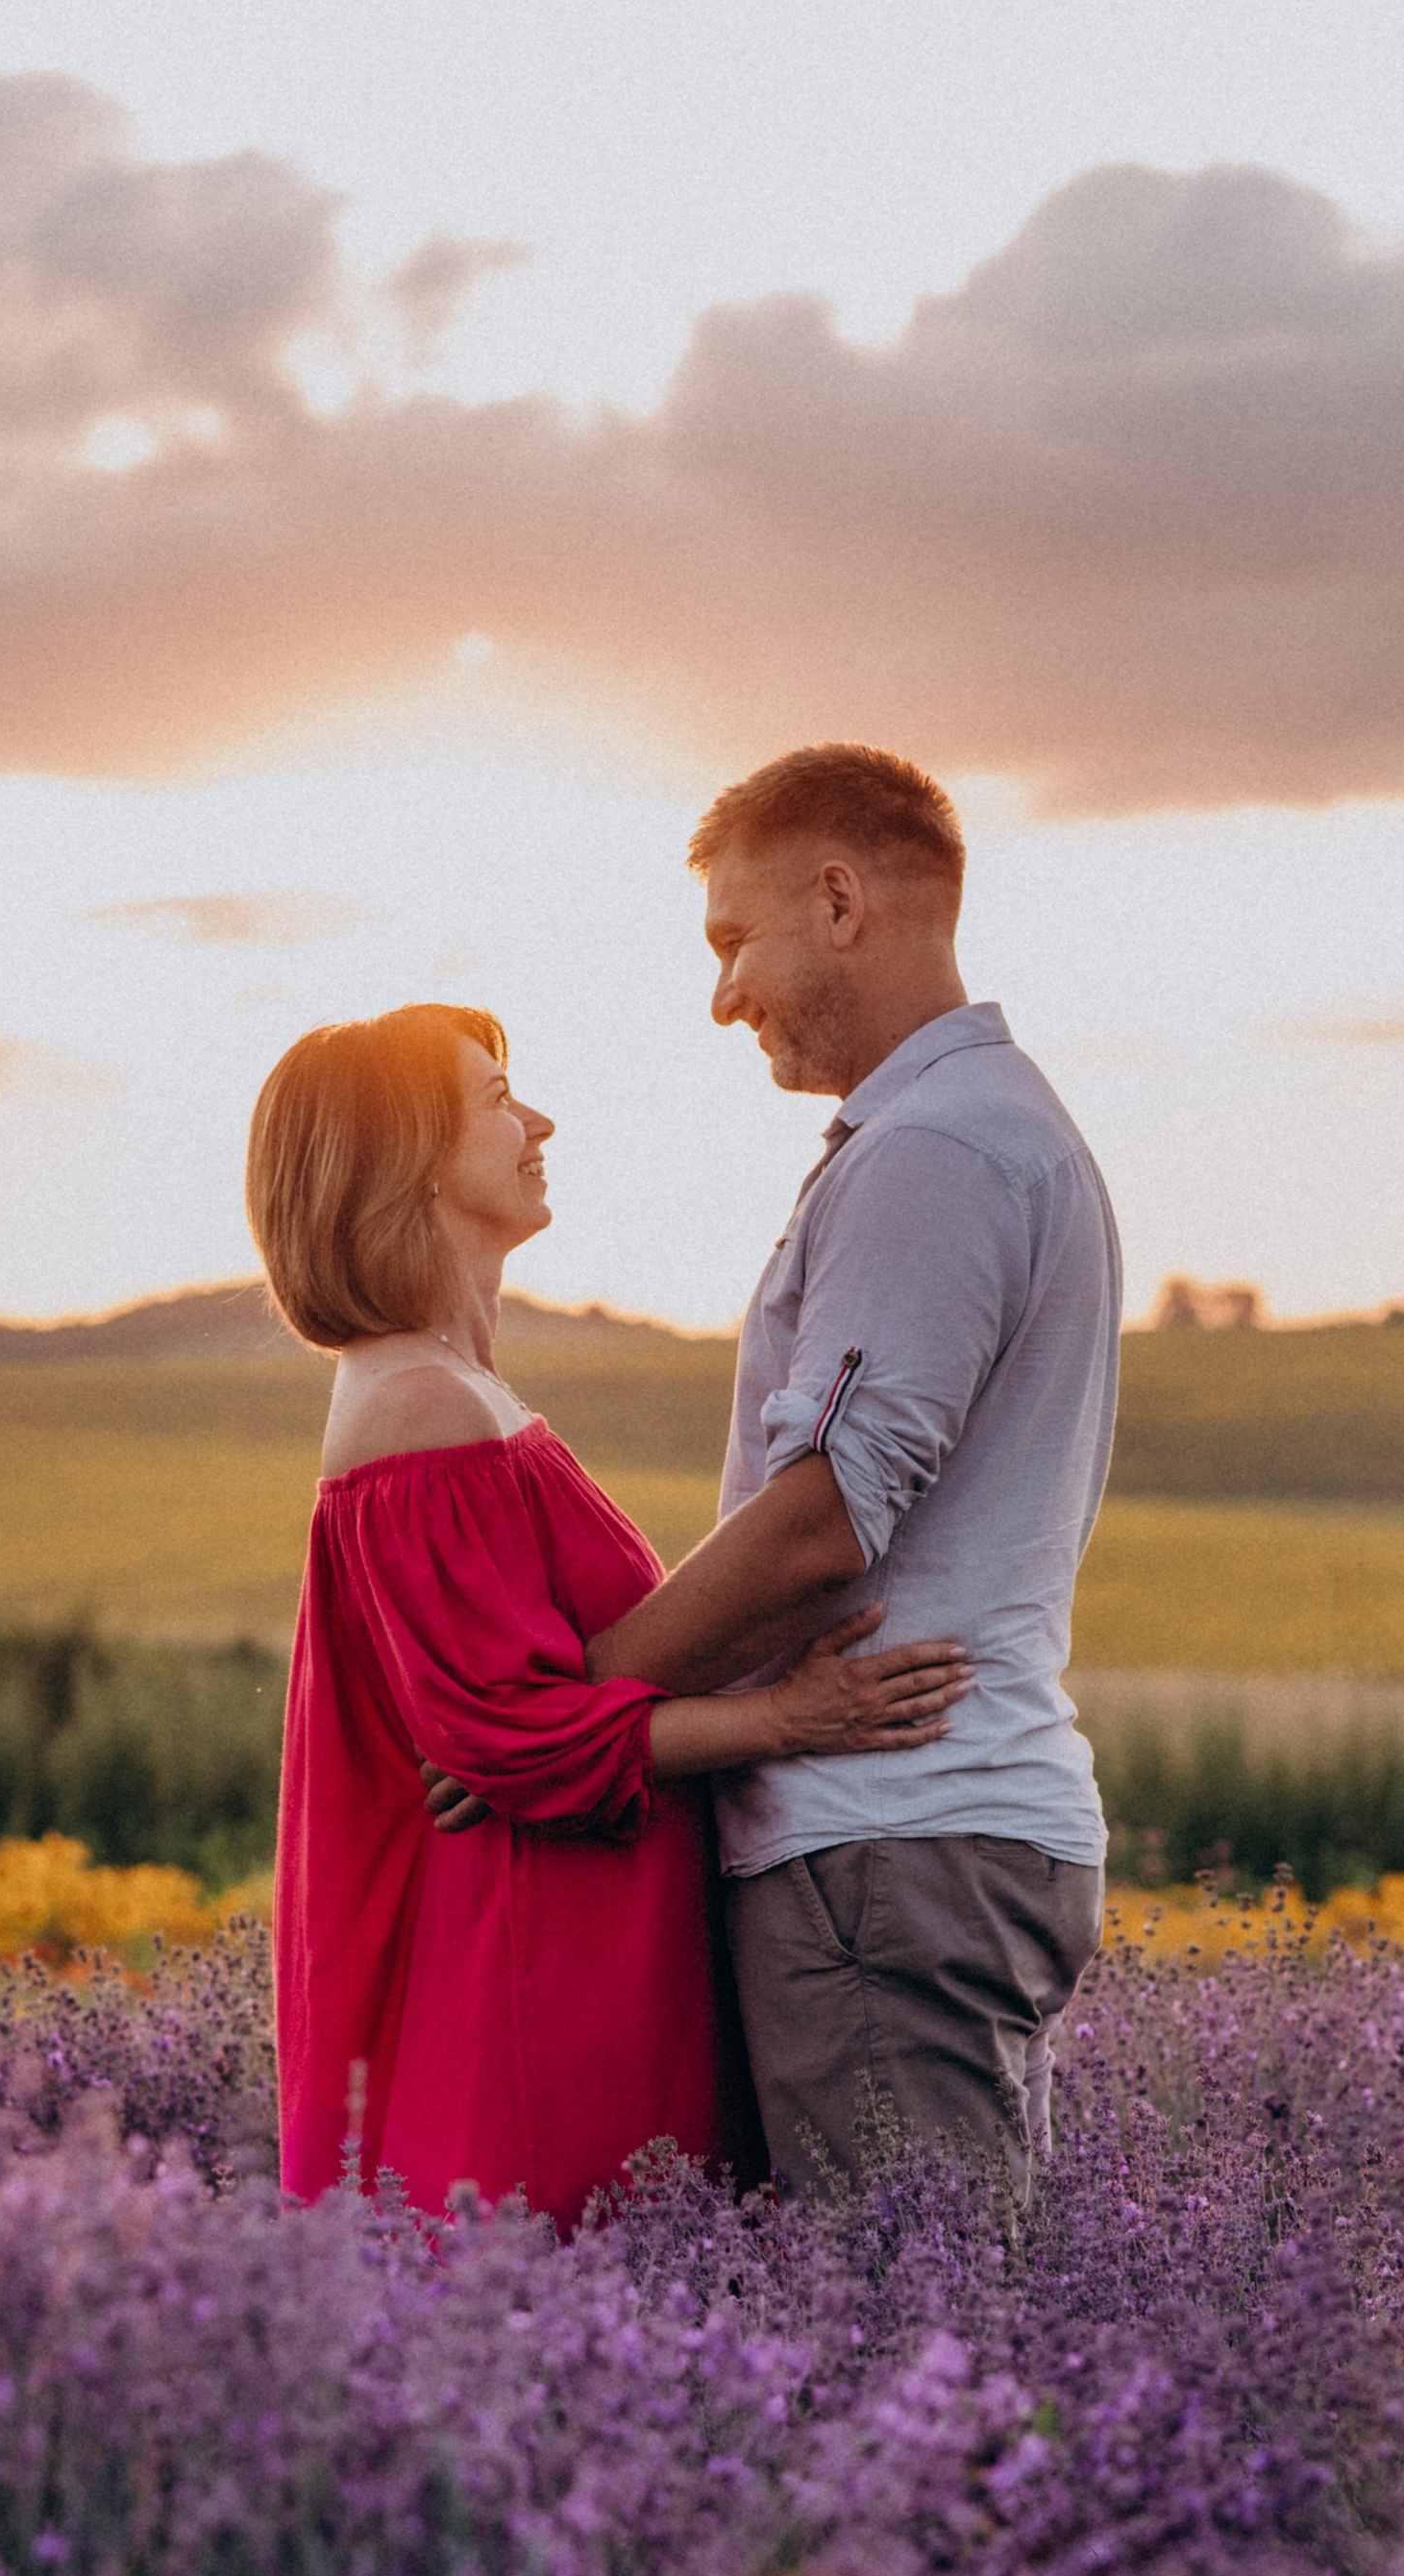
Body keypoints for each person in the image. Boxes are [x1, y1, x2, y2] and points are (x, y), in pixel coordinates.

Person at [251, 1000, 971, 2232]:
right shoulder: (416, 1408)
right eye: (494, 1101)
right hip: (529, 1971)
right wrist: (794, 1716)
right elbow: (511, 1741)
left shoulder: (460, 1393)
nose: (538, 1122)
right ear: (409, 1158)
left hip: (579, 1947)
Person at [572, 744, 1123, 2196]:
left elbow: (822, 1522)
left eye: (732, 939)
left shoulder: (935, 1150)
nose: (722, 995)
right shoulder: (974, 1131)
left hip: (890, 1841)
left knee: (904, 2355)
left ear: (837, 900)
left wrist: (584, 1700)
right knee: (934, 2334)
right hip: (925, 1832)